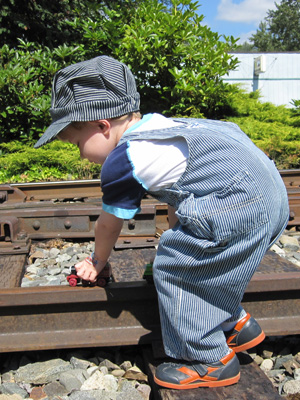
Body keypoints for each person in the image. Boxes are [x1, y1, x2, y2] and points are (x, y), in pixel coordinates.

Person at [34, 55, 289, 390]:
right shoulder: (161, 127)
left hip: (239, 205)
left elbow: (108, 224)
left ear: (101, 126)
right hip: (270, 197)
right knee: (208, 261)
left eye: (78, 143)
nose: (80, 154)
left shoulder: (124, 158)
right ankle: (236, 324)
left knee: (174, 268)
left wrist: (98, 262)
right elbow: (183, 198)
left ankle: (209, 360)